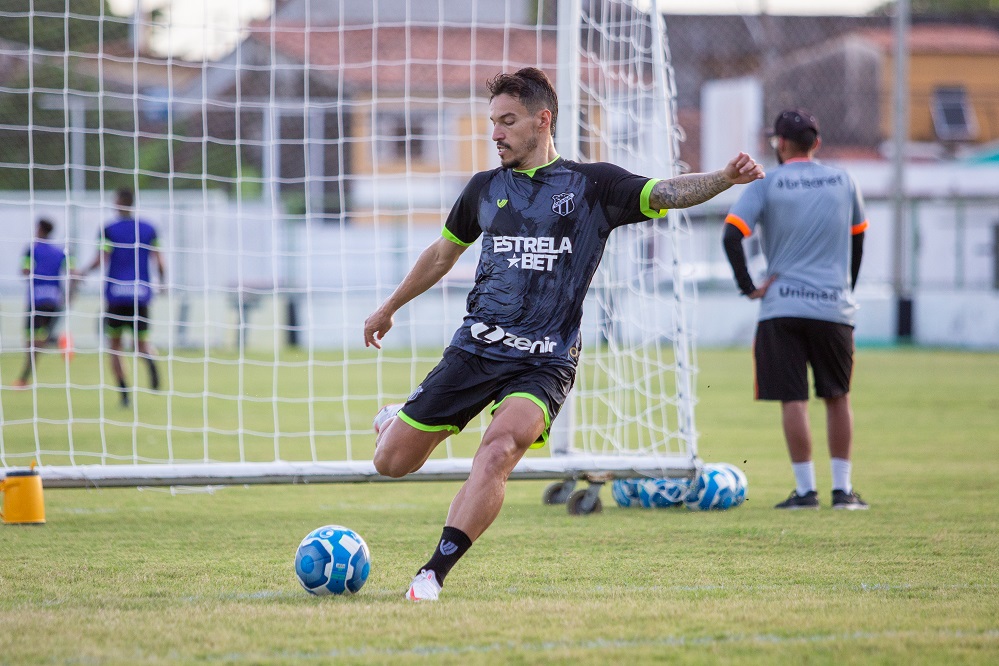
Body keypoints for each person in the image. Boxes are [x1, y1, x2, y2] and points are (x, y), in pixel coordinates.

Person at [363, 67, 765, 601]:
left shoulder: (593, 186)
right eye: (493, 122)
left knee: (498, 451)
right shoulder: (484, 188)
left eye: (508, 121)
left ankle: (432, 574)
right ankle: (398, 419)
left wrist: (724, 178)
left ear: (542, 120)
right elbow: (441, 254)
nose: (496, 133)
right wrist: (389, 307)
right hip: (476, 348)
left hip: (545, 359)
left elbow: (667, 191)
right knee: (392, 463)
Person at [722, 108, 869, 511]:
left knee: (794, 399)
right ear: (816, 143)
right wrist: (845, 288)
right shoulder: (845, 180)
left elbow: (731, 235)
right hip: (833, 306)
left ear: (781, 144)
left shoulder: (767, 182)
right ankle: (843, 491)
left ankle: (806, 493)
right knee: (837, 397)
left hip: (781, 307)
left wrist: (749, 287)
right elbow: (858, 239)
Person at [76, 188, 166, 407]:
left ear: (118, 203)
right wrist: (163, 282)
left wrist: (83, 272)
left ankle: (125, 394)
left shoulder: (109, 229)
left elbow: (102, 258)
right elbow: (159, 260)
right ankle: (150, 361)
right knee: (141, 344)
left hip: (116, 295)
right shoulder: (148, 228)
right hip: (140, 295)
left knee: (115, 346)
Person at [12, 218, 72, 387]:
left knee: (31, 341)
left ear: (40, 230)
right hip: (54, 300)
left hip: (36, 300)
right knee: (39, 340)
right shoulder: (60, 251)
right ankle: (52, 340)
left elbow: (25, 271)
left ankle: (24, 377)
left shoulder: (32, 250)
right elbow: (72, 271)